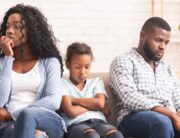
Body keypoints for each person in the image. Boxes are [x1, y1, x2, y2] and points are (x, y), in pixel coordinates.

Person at [0, 4, 66, 138]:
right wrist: (8, 57)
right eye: (7, 26)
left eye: (17, 27)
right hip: (10, 126)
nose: (10, 31)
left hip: (46, 121)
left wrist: (12, 114)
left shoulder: (50, 62)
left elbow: (53, 101)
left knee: (27, 115)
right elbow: (0, 102)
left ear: (32, 30)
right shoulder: (3, 62)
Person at [110, 16, 180, 138]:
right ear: (143, 36)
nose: (163, 46)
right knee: (162, 122)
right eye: (158, 40)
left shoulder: (166, 68)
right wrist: (170, 114)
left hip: (169, 118)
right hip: (134, 117)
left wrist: (178, 111)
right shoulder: (123, 61)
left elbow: (177, 95)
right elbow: (129, 96)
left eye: (166, 42)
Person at [59, 42, 124, 138]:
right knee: (91, 136)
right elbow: (71, 111)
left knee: (116, 135)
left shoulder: (96, 82)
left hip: (99, 122)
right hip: (75, 124)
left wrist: (73, 100)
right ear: (68, 64)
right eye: (77, 67)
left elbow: (100, 103)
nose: (82, 72)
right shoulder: (61, 83)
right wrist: (94, 106)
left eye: (87, 67)